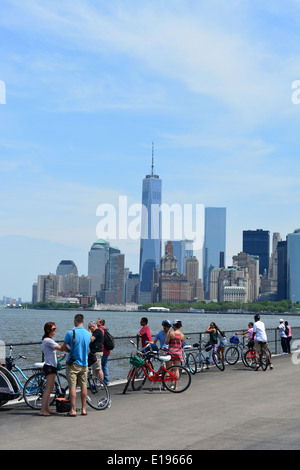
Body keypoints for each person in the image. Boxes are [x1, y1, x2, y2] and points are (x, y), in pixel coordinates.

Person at [63, 314, 91, 417]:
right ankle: (83, 409)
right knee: (84, 386)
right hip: (84, 363)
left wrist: (69, 350)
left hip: (73, 363)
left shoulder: (71, 333)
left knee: (72, 387)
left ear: (75, 321)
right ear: (83, 321)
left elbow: (64, 347)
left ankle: (73, 410)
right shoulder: (88, 334)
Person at [39, 322, 67, 416]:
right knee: (48, 389)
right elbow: (61, 348)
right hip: (50, 367)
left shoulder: (47, 340)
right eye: (53, 329)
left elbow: (51, 353)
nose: (55, 330)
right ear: (48, 330)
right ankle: (43, 410)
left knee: (50, 388)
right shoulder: (48, 341)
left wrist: (58, 355)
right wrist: (67, 341)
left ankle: (47, 408)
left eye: (55, 328)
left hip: (51, 365)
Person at [97, 318, 110, 385]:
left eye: (98, 322)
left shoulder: (100, 330)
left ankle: (102, 382)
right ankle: (106, 381)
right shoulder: (105, 329)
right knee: (105, 365)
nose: (96, 323)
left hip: (103, 350)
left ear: (101, 323)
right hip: (107, 350)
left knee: (100, 366)